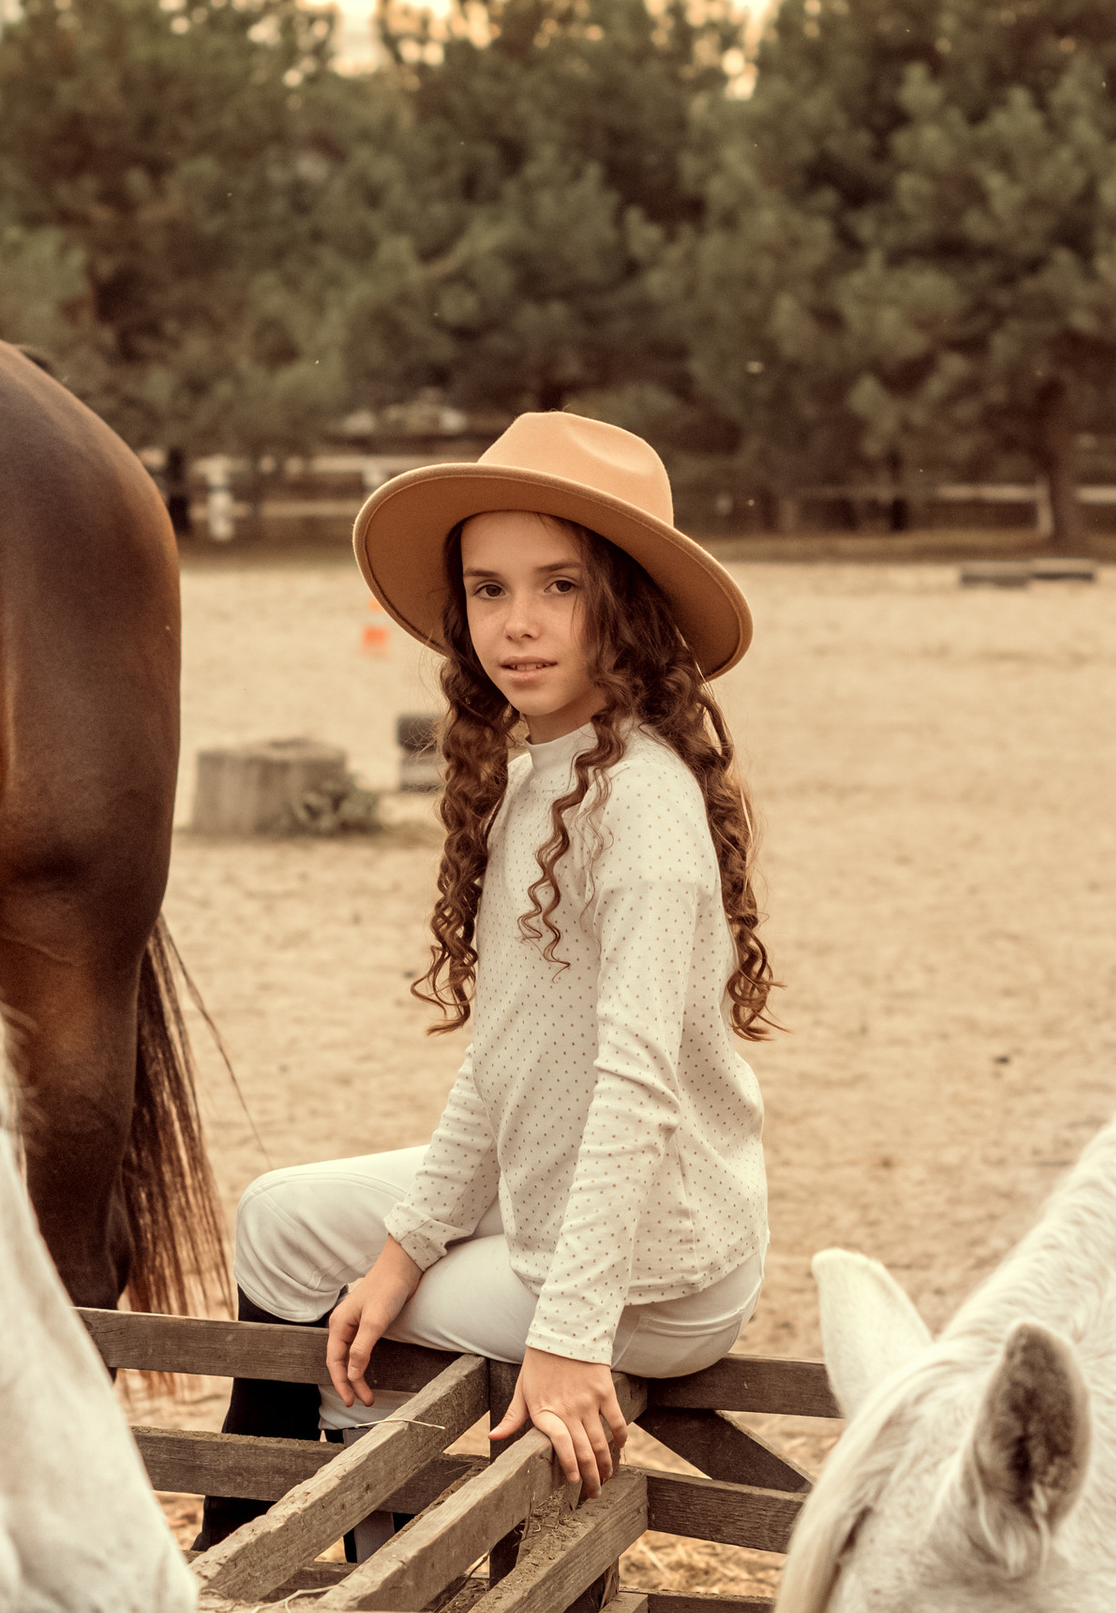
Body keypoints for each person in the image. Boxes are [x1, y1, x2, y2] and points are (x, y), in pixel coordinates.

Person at [199, 410, 771, 1547]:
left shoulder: (644, 809)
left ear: (627, 606)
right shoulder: (533, 782)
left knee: (367, 1324)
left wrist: (569, 1336)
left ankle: (321, 1564)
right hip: (547, 1180)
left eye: (559, 586)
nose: (518, 624)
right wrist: (409, 1242)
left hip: (656, 1254)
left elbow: (636, 1088)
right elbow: (505, 1062)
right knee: (279, 1227)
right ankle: (242, 1538)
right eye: (487, 589)